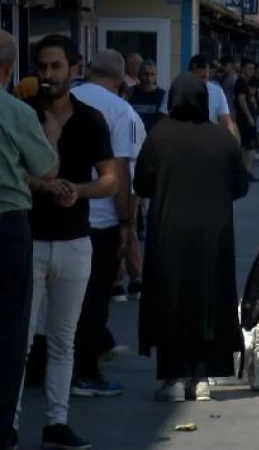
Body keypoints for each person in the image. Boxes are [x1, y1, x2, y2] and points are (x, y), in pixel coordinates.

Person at [17, 34, 118, 449]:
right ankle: (10, 421)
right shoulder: (21, 115)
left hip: (76, 240)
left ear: (74, 68)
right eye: (42, 66)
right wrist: (40, 185)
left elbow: (110, 179)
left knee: (64, 339)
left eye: (56, 66)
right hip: (30, 239)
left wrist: (76, 190)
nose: (47, 75)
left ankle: (56, 422)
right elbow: (8, 172)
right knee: (19, 340)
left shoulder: (91, 119)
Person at [134, 73, 249, 402]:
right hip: (214, 235)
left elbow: (142, 183)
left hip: (168, 233)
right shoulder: (223, 140)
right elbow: (240, 186)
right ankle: (202, 378)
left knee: (170, 301)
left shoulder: (159, 136)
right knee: (209, 299)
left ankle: (172, 379)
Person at [69, 49, 147, 398]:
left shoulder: (64, 99)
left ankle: (55, 364)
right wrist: (127, 223)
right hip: (101, 219)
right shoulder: (122, 112)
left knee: (60, 301)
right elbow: (122, 171)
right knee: (94, 299)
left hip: (60, 213)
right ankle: (86, 371)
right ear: (121, 80)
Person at [0, 30, 59, 450]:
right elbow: (46, 165)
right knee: (8, 328)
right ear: (8, 70)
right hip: (6, 225)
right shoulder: (15, 111)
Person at [159, 55, 236, 136]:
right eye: (199, 78)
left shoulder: (217, 92)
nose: (202, 81)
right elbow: (163, 120)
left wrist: (230, 141)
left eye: (205, 77)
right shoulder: (175, 90)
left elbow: (226, 121)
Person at [234, 60, 259, 183]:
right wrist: (249, 117)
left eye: (252, 68)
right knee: (250, 146)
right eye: (249, 68)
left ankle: (245, 172)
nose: (251, 71)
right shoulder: (240, 83)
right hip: (245, 120)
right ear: (243, 68)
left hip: (248, 118)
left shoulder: (247, 83)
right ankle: (247, 172)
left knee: (247, 146)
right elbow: (241, 100)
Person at [129, 60, 166, 134]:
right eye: (146, 74)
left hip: (152, 138)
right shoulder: (130, 92)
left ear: (156, 76)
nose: (149, 78)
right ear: (139, 75)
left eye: (152, 75)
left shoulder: (162, 95)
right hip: (133, 136)